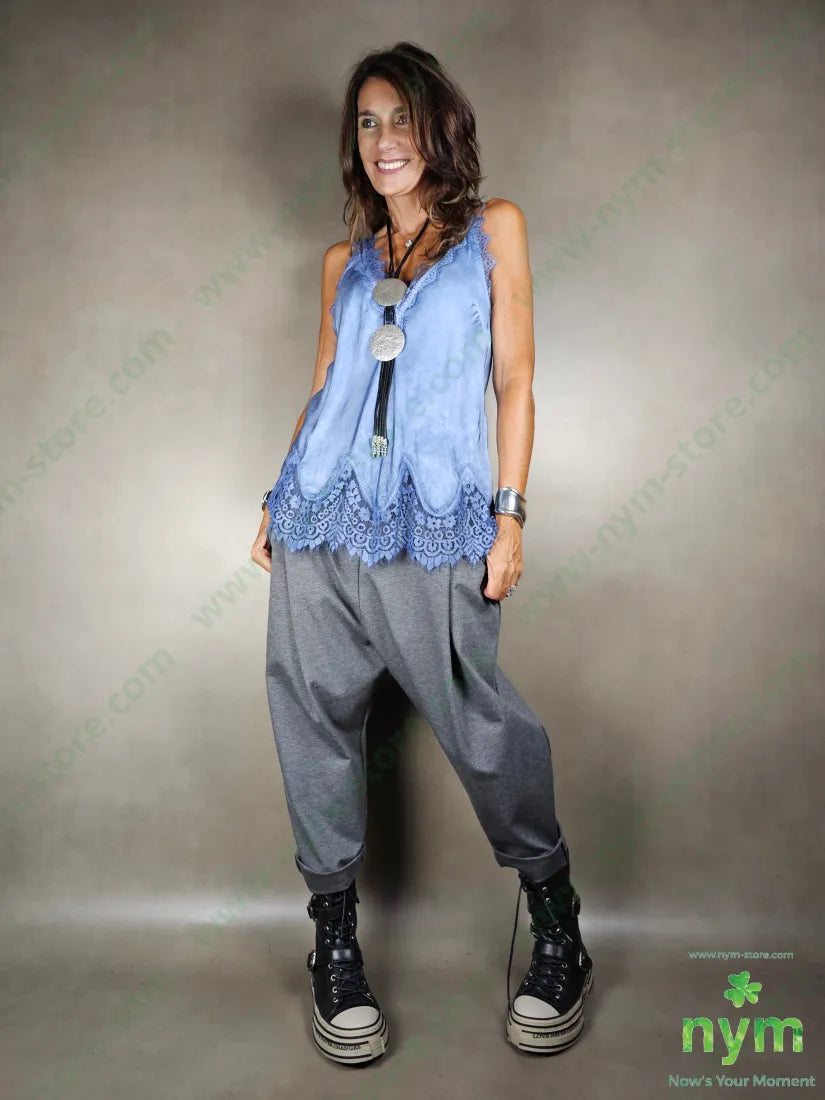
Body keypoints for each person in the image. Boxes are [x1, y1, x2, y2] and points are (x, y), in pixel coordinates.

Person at [251, 41, 593, 1065]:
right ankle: (334, 940)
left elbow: (516, 379)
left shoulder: (495, 231)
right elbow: (327, 390)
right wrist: (276, 495)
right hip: (319, 522)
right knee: (311, 720)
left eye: (400, 118)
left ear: (437, 127)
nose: (383, 139)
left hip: (435, 522)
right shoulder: (343, 264)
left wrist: (510, 515)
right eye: (367, 122)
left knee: (482, 725)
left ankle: (557, 919)